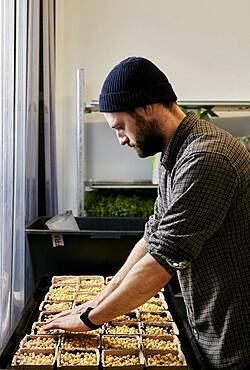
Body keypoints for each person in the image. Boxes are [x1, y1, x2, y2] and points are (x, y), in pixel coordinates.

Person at [44, 57, 250, 369]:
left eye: (120, 127)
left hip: (238, 338)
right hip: (211, 325)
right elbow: (152, 237)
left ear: (147, 108)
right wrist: (100, 297)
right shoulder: (176, 153)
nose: (121, 138)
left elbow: (162, 260)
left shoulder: (206, 157)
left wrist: (90, 319)